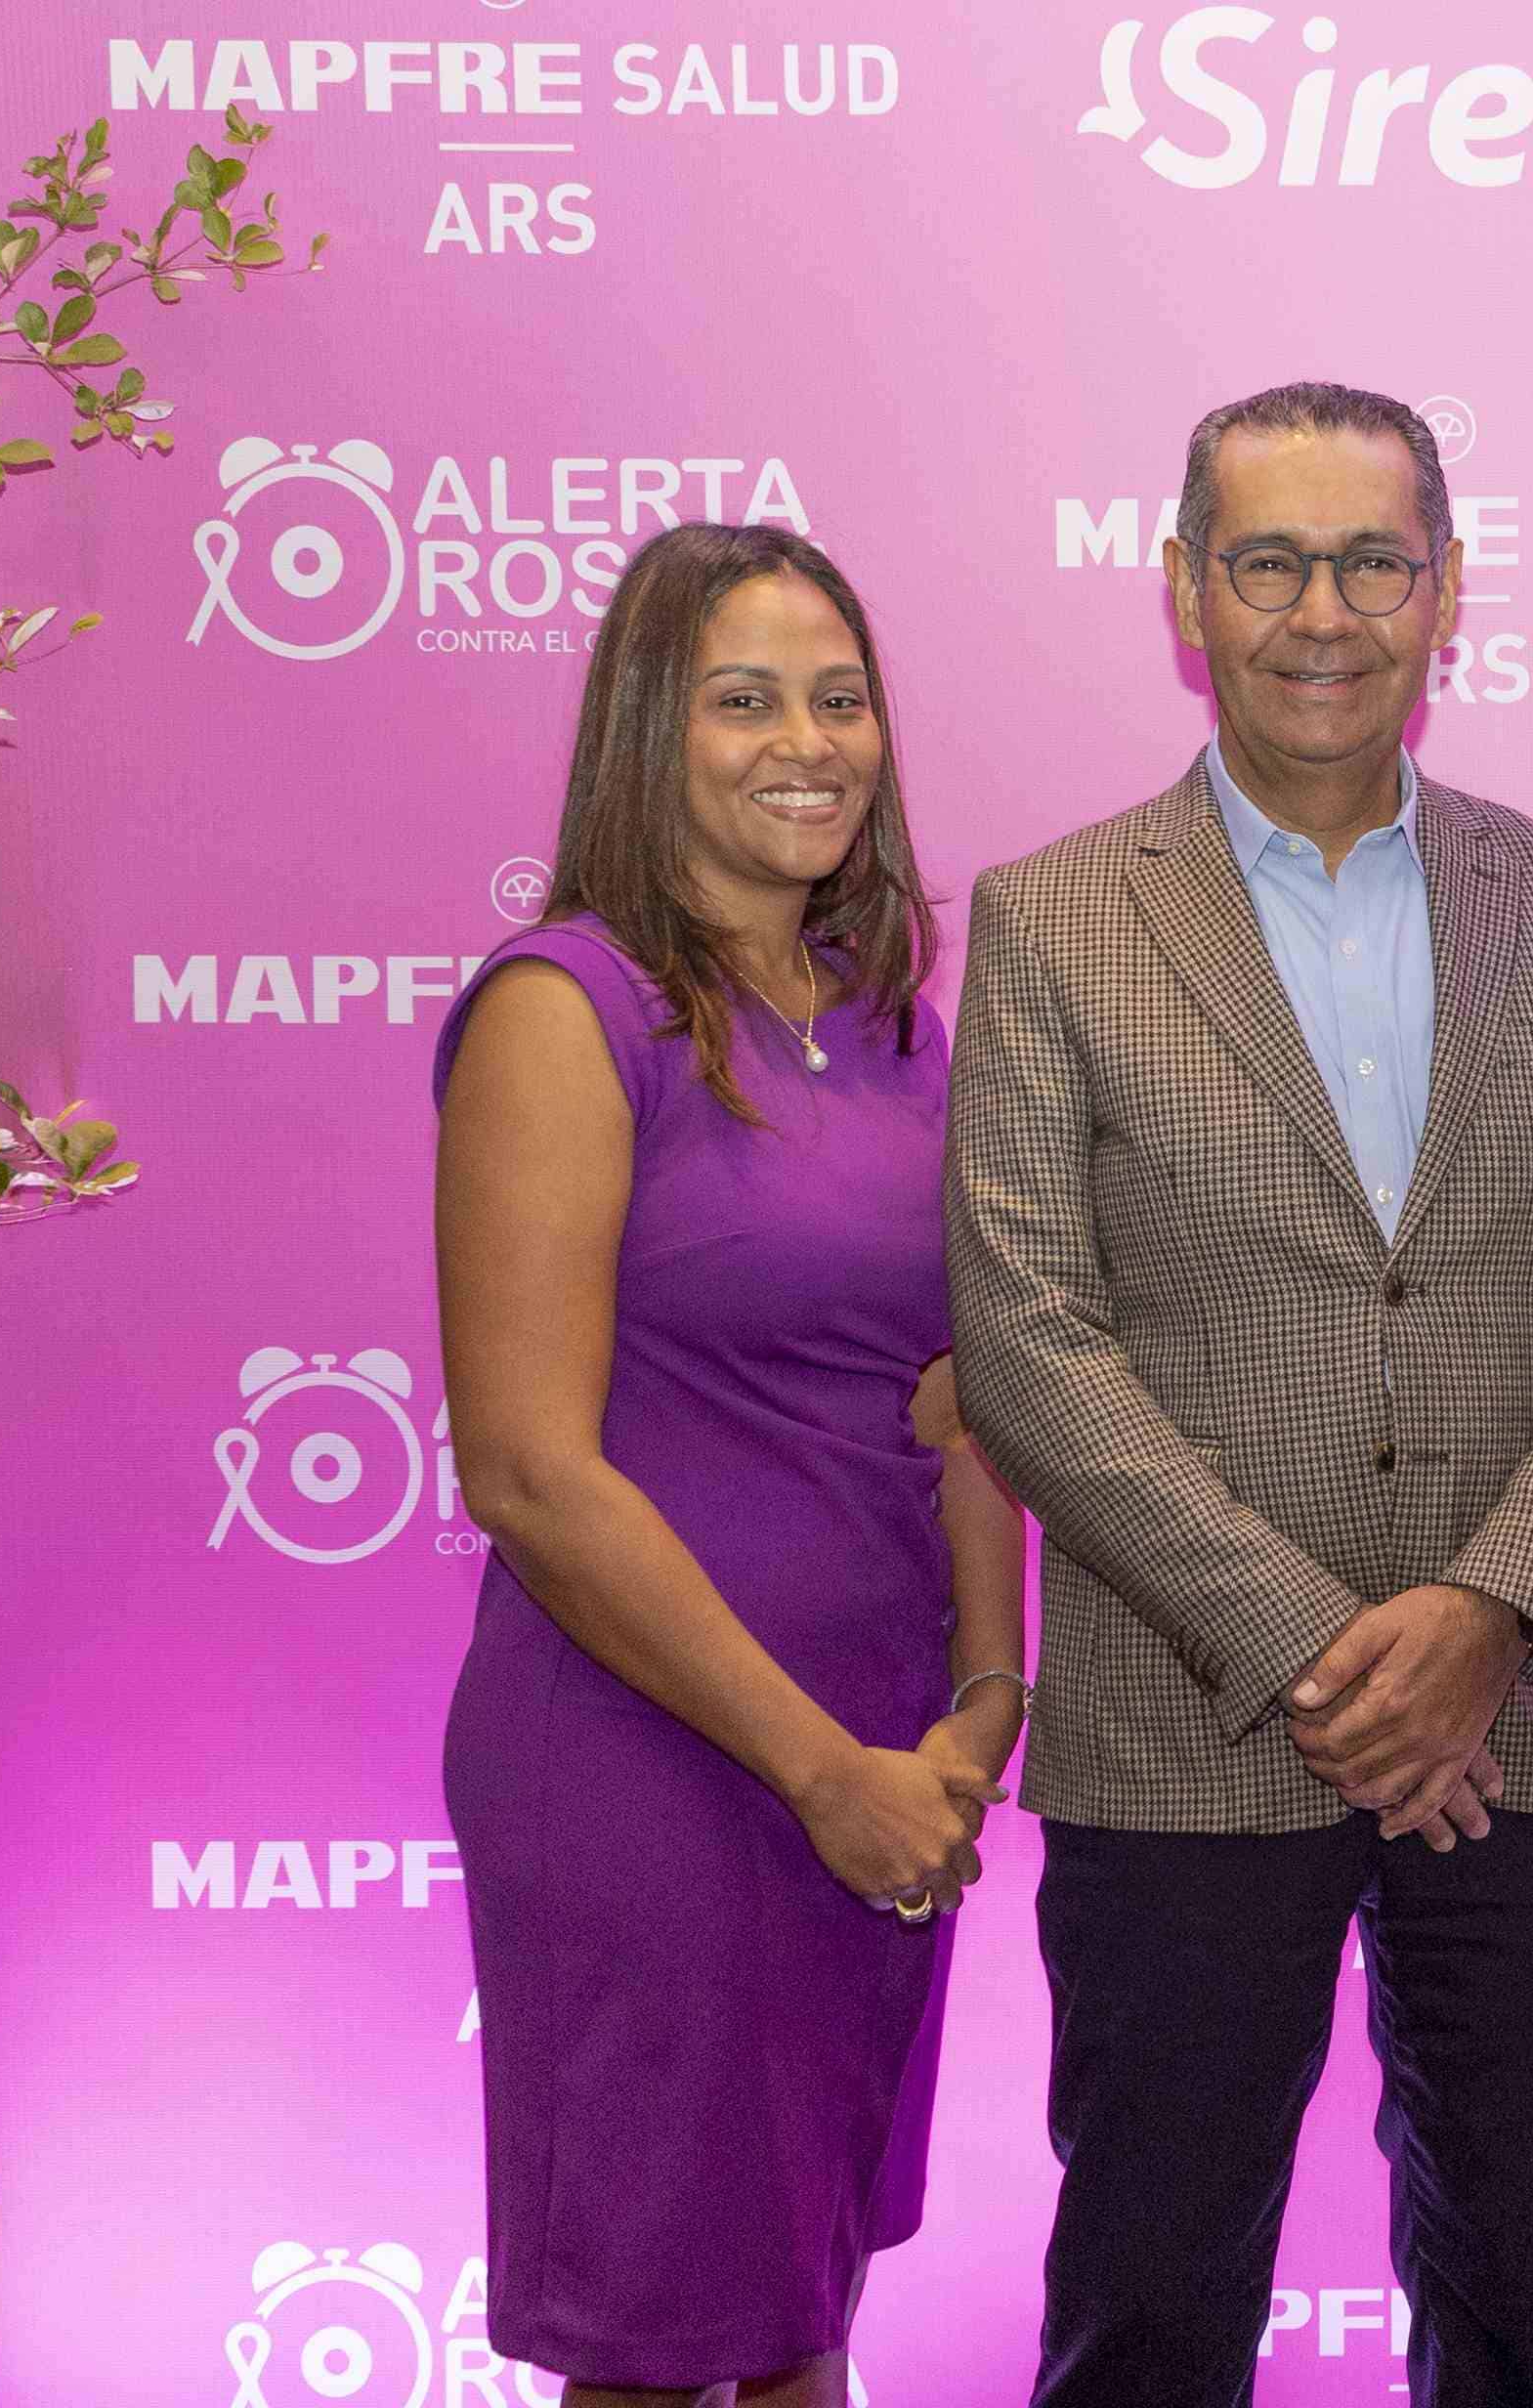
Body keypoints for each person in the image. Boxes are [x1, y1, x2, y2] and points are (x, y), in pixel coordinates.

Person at [944, 380, 1533, 2408]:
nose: (1321, 609)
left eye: (1371, 560)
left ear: (1447, 590)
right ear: (1186, 591)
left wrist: (1486, 1609)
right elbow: (1028, 1337)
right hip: (1185, 1740)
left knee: (1519, 2318)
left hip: (1517, 1727)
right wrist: (1329, 1657)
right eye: (1269, 559)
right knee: (1152, 2321)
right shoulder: (1052, 913)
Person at [433, 522, 1028, 2407]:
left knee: (795, 2315)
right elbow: (530, 1475)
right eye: (745, 697)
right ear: (646, 732)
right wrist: (816, 1769)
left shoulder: (897, 1031)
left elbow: (957, 1408)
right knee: (651, 2339)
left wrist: (978, 1710)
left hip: (882, 1763)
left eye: (841, 698)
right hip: (661, 1767)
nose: (809, 740)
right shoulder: (569, 1008)